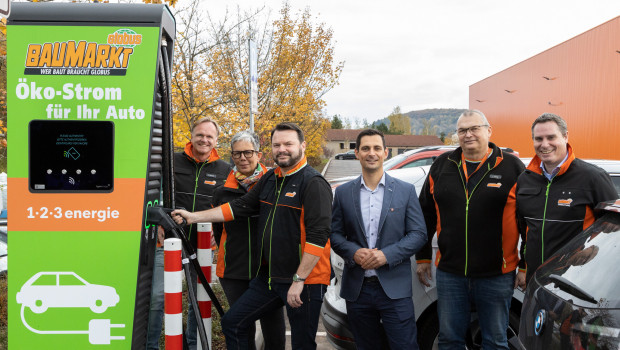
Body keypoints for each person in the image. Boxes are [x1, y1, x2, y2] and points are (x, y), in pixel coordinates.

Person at [171, 122, 333, 350]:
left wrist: (299, 280)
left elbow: (318, 237)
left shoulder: (313, 183)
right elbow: (238, 206)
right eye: (277, 145)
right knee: (233, 322)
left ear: (302, 146)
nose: (282, 149)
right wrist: (193, 217)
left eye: (288, 144)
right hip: (271, 276)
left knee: (301, 343)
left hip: (304, 280)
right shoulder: (271, 178)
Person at [416, 109, 525, 350]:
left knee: (495, 341)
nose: (468, 135)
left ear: (488, 130)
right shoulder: (443, 165)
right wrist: (422, 256)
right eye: (462, 130)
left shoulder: (512, 167)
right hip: (450, 273)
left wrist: (525, 265)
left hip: (496, 273)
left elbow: (527, 220)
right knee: (449, 340)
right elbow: (425, 214)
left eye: (474, 128)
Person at [330, 129, 427, 349]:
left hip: (395, 290)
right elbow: (335, 235)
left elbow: (418, 234)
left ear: (385, 153)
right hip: (358, 289)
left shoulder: (405, 191)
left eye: (376, 148)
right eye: (365, 148)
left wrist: (386, 255)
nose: (371, 153)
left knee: (405, 346)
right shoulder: (344, 193)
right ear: (357, 153)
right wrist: (353, 252)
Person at [147, 117, 231, 350]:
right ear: (192, 136)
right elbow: (153, 194)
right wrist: (157, 224)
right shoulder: (171, 161)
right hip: (168, 240)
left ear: (216, 140)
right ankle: (150, 346)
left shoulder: (225, 169)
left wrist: (219, 231)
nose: (204, 140)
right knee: (156, 298)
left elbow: (229, 206)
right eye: (200, 135)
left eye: (209, 136)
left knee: (199, 300)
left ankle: (194, 345)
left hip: (202, 246)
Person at [515, 113, 617, 287]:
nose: (544, 144)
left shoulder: (593, 177)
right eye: (538, 139)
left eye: (551, 137)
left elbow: (614, 232)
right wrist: (523, 268)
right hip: (535, 279)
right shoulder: (525, 179)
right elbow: (526, 232)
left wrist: (594, 250)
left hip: (576, 281)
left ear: (565, 136)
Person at [212, 130, 285, 349]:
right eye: (237, 154)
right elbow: (219, 231)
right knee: (242, 326)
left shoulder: (276, 184)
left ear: (259, 155)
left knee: (274, 327)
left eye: (248, 152)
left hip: (268, 269)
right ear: (231, 156)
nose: (243, 158)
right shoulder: (222, 191)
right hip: (235, 269)